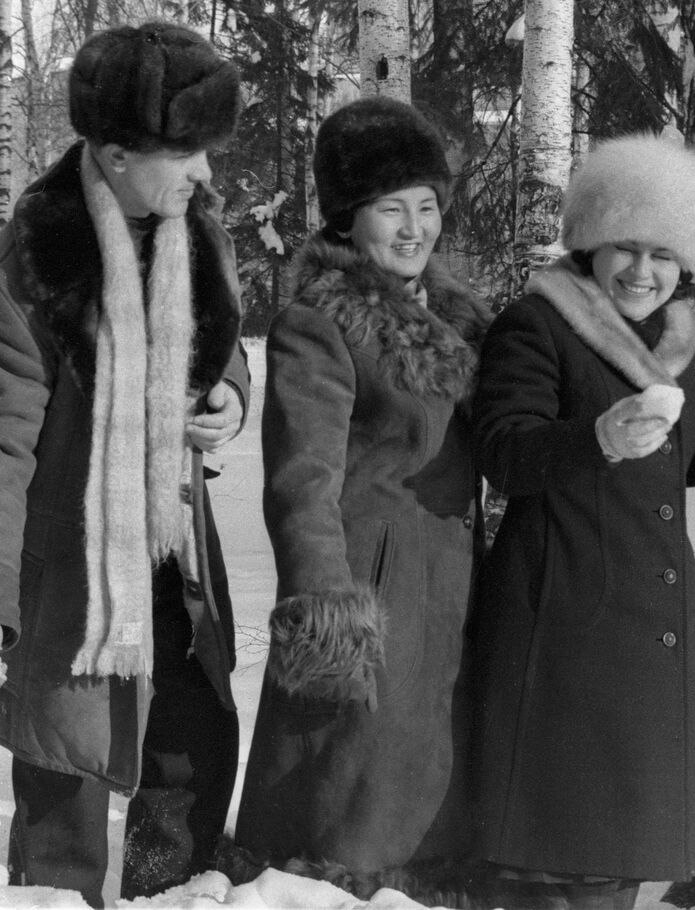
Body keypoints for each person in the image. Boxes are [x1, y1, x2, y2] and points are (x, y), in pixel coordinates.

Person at [0, 22, 246, 905]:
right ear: (111, 155)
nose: (207, 175)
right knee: (65, 763)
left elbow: (219, 350)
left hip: (175, 558)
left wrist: (227, 395)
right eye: (186, 154)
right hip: (75, 572)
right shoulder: (37, 263)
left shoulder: (192, 230)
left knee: (186, 746)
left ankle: (167, 892)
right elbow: (4, 435)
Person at [231, 97, 491, 904]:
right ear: (349, 219)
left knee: (433, 794)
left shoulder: (459, 319)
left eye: (426, 207)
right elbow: (301, 478)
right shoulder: (321, 323)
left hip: (453, 594)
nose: (414, 229)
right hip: (369, 592)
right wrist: (326, 608)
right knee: (348, 813)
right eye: (391, 209)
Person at [468, 133, 695, 909]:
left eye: (662, 253)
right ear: (589, 244)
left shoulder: (666, 344)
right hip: (566, 620)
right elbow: (505, 451)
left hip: (642, 625)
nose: (642, 272)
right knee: (559, 861)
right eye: (624, 248)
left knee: (614, 866)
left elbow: (674, 453)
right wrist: (599, 437)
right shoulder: (539, 324)